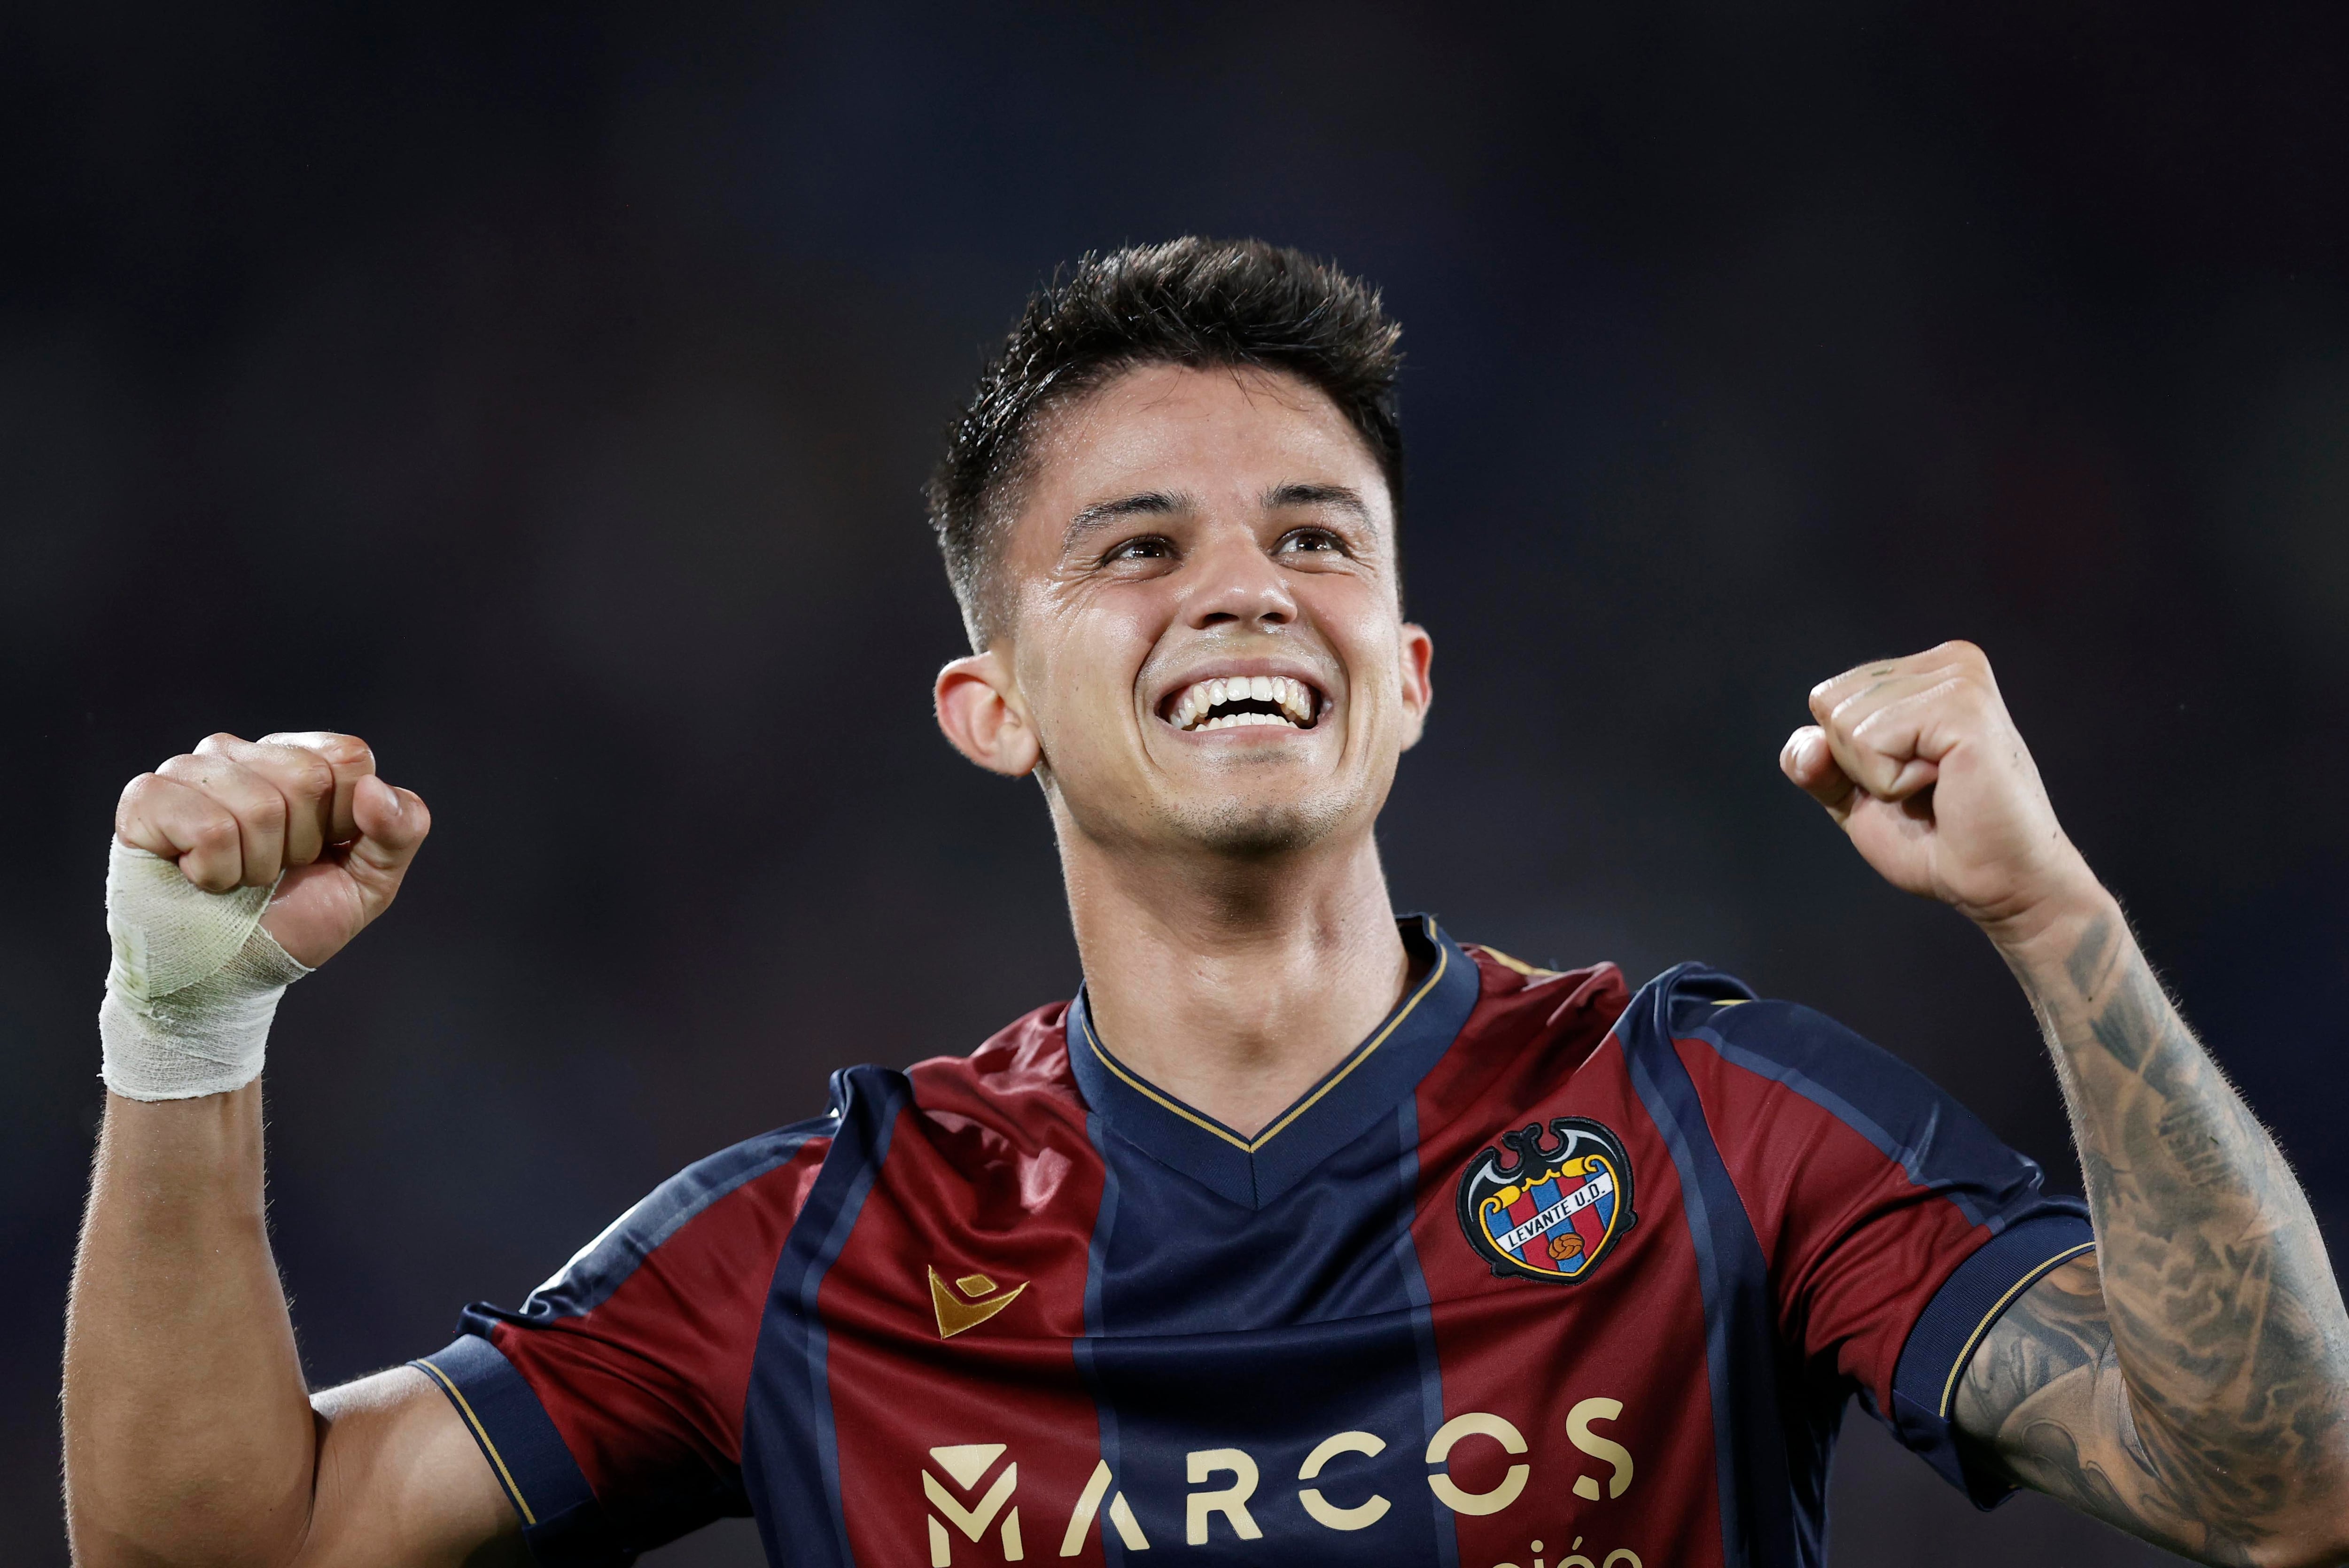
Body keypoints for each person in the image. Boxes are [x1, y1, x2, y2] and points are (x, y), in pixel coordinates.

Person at [62, 239, 2349, 1568]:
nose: (1245, 585)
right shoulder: (813, 1248)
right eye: (1136, 544)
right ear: (990, 706)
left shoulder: (1708, 1121)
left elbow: (2278, 1484)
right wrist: (186, 1023)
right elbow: (219, 1549)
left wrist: (2054, 923)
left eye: (1317, 536)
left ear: (1406, 677)